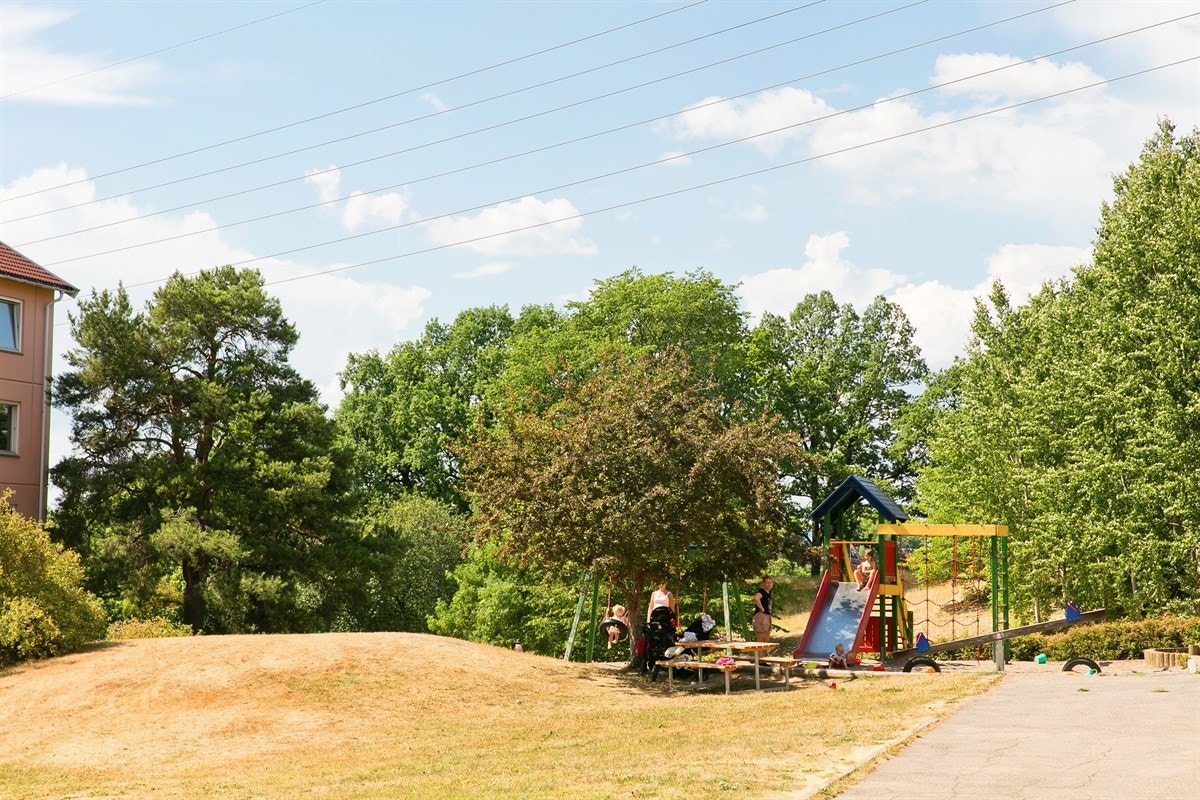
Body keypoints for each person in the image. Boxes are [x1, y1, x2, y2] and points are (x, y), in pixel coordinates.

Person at [751, 576, 774, 642]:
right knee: (761, 638)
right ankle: (759, 652)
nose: (769, 584)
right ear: (763, 583)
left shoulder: (768, 592)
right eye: (767, 583)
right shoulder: (761, 591)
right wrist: (762, 608)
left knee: (766, 638)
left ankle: (763, 652)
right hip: (761, 616)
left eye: (770, 582)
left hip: (767, 616)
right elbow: (756, 598)